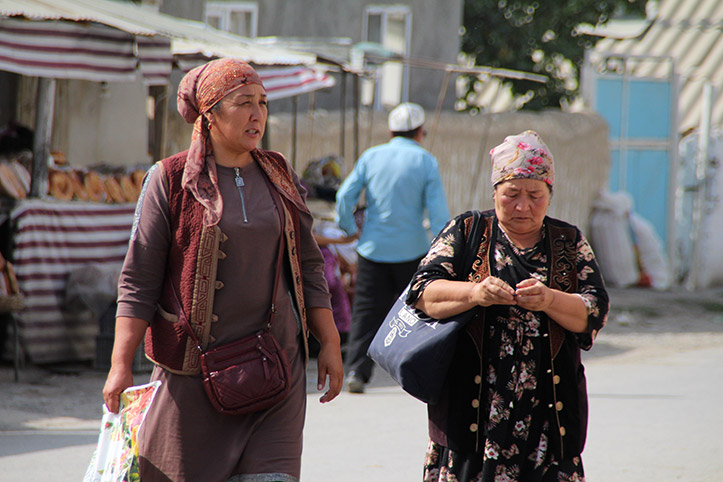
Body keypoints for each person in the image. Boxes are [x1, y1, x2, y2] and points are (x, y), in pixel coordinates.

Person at [102, 58, 343, 482]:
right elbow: (139, 277)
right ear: (209, 114)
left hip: (276, 369)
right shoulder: (170, 178)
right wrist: (121, 363)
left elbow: (308, 264)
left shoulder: (279, 173)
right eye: (244, 102)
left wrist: (329, 340)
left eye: (264, 103)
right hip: (194, 375)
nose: (258, 114)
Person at [407, 131, 609, 481]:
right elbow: (423, 293)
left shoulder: (568, 242)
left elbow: (593, 312)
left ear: (550, 194)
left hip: (546, 419)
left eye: (535, 195)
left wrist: (549, 299)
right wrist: (474, 293)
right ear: (495, 191)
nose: (523, 206)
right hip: (472, 418)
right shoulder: (468, 230)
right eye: (511, 194)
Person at [335, 102, 450, 393]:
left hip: (372, 249)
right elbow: (437, 214)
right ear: (420, 132)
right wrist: (446, 250)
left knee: (365, 312)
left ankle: (357, 374)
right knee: (417, 312)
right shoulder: (426, 161)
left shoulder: (371, 156)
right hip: (412, 251)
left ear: (390, 131)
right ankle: (416, 373)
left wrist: (349, 230)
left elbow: (344, 197)